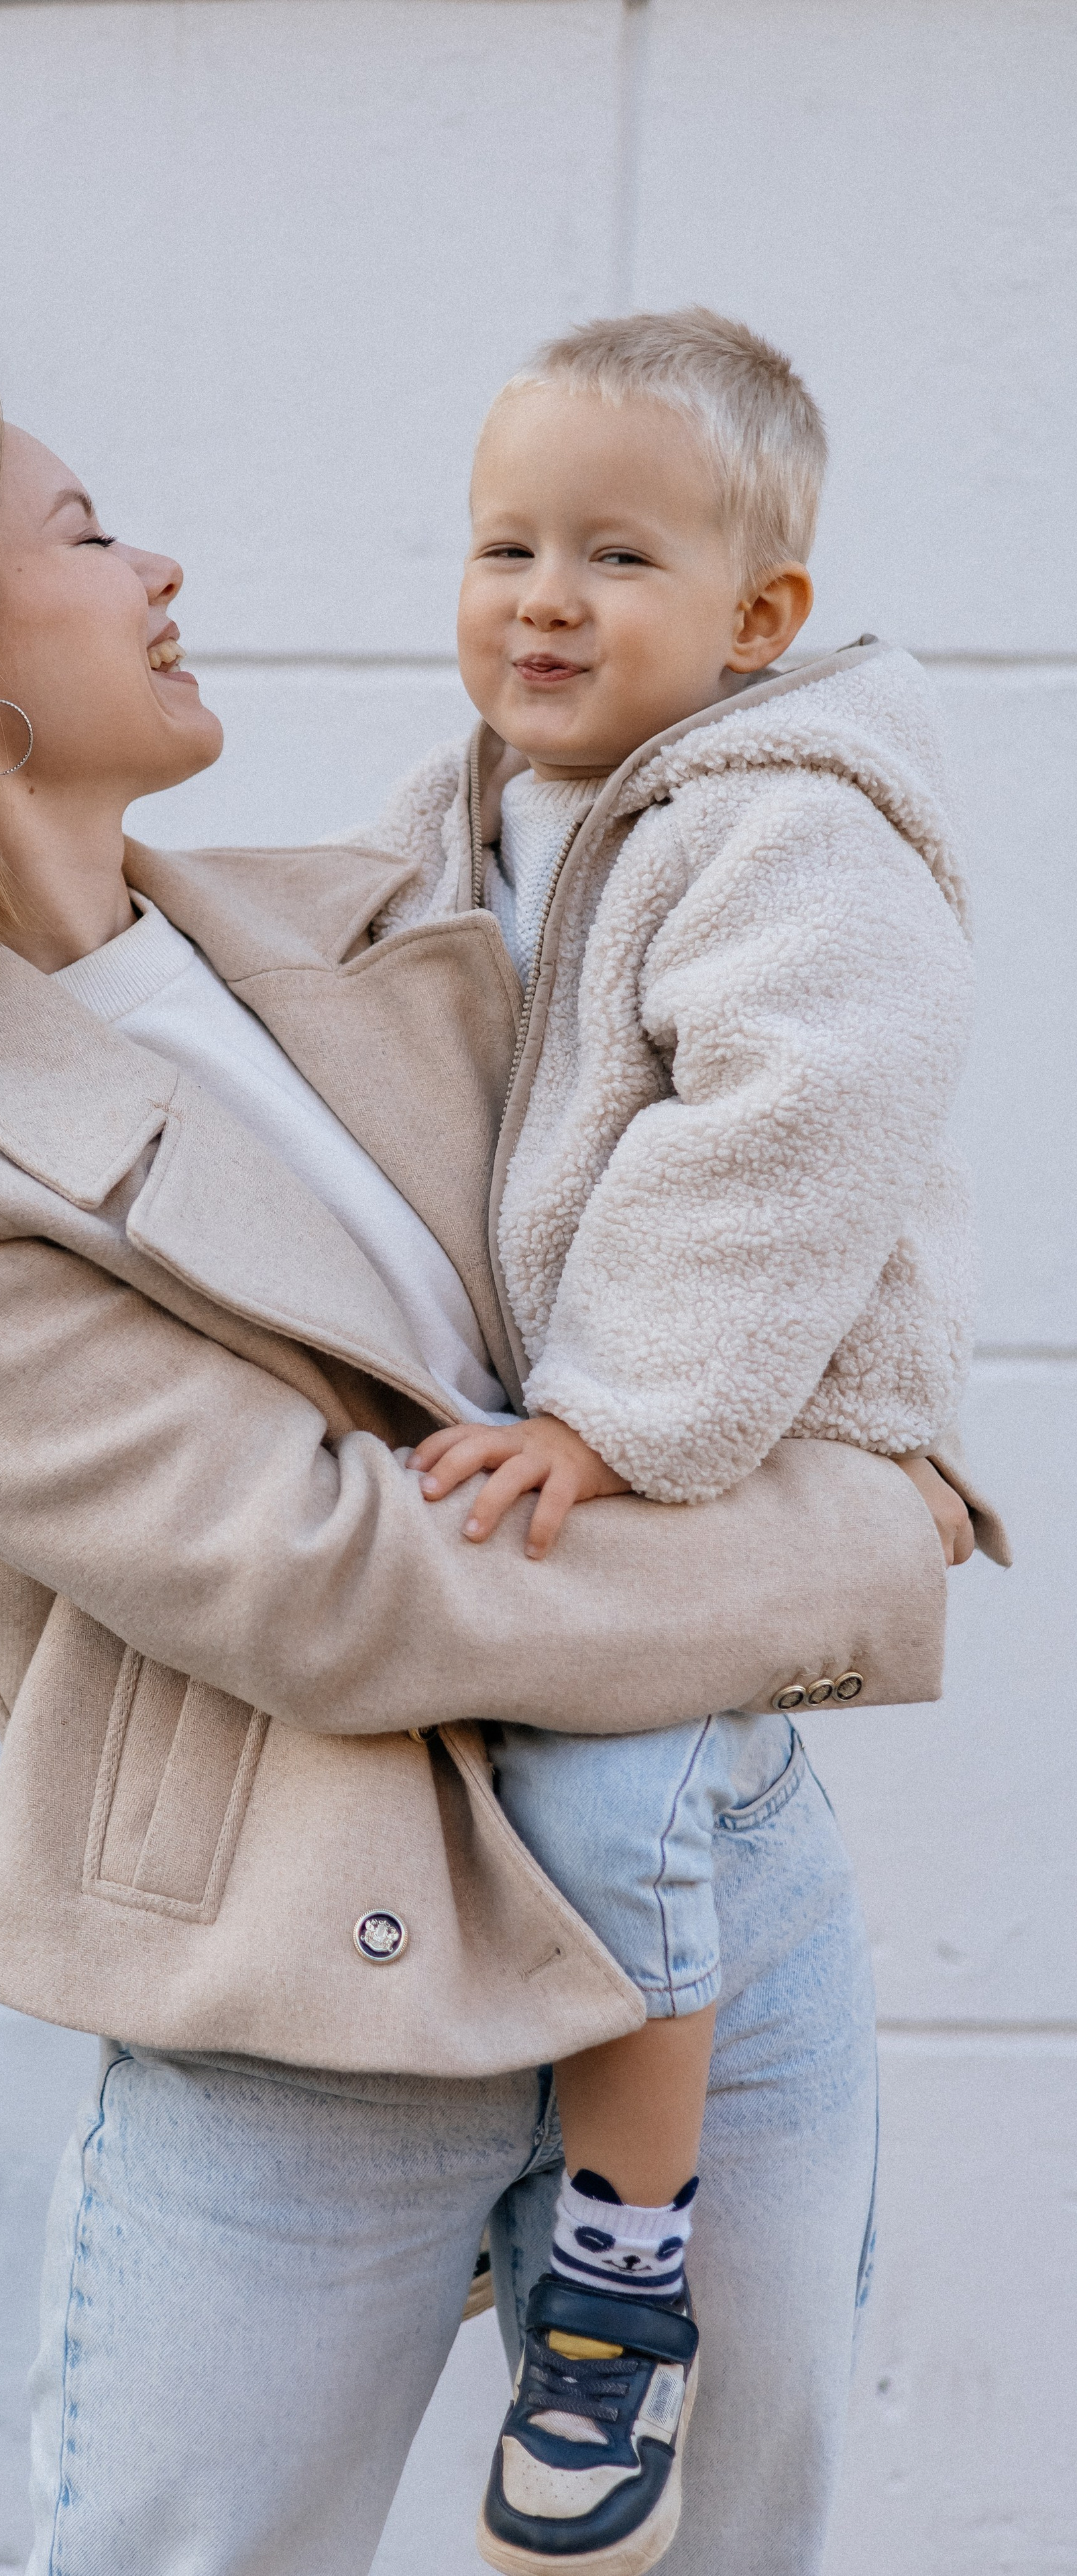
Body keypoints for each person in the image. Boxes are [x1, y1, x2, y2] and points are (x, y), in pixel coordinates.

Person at [0, 372, 976, 2576]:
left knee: (730, 2542)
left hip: (720, 1906)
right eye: (86, 529)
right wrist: (868, 1540)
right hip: (322, 1996)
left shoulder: (382, 909)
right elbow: (352, 1592)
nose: (159, 570)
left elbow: (745, 1130)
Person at [348, 308, 1007, 2573]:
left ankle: (621, 2258)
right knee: (497, 1781)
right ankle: (526, 2170)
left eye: (612, 557)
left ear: (759, 623)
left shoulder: (794, 826)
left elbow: (792, 1130)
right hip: (609, 1432)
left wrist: (622, 1420)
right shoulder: (481, 807)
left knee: (624, 1788)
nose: (539, 594)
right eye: (503, 540)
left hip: (767, 1419)